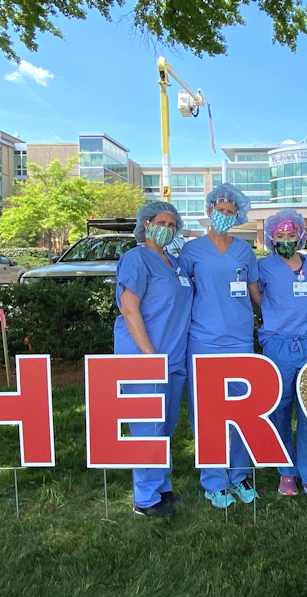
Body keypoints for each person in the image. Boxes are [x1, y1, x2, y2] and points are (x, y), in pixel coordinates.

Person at [179, 183, 263, 509]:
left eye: (231, 212)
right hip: (203, 341)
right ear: (209, 211)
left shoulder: (244, 251)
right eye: (220, 211)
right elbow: (180, 292)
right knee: (208, 414)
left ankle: (239, 476)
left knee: (242, 411)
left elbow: (257, 296)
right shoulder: (191, 251)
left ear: (238, 215)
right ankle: (214, 481)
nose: (225, 216)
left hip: (240, 340)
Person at [114, 201, 192, 519]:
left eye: (173, 225)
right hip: (146, 357)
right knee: (147, 426)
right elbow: (129, 308)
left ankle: (160, 484)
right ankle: (144, 498)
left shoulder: (174, 263)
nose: (168, 228)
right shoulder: (136, 258)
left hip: (173, 358)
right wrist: (149, 355)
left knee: (165, 425)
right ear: (146, 224)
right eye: (162, 222)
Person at [257, 208, 307, 505]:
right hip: (278, 346)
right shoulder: (263, 267)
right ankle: (287, 470)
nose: (286, 239)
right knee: (279, 410)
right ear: (271, 238)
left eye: (291, 234)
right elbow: (255, 296)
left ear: (301, 235)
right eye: (280, 236)